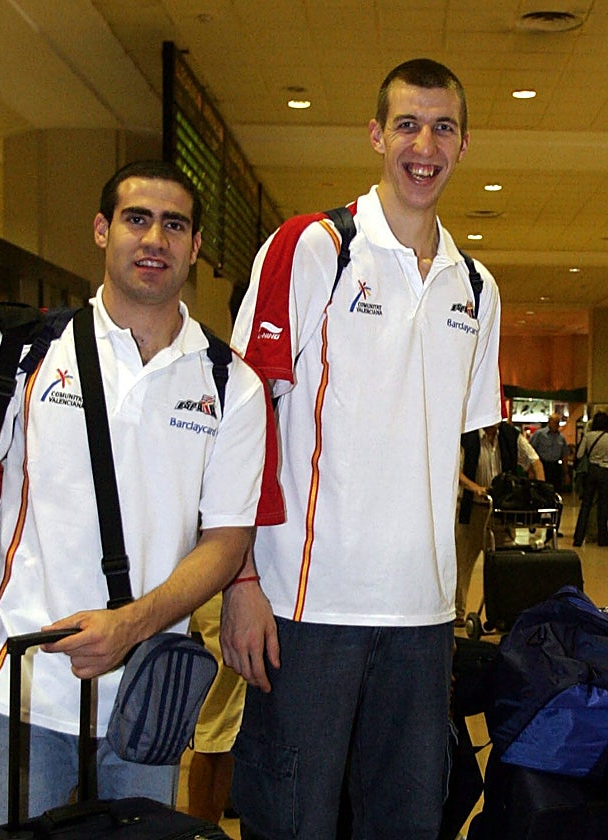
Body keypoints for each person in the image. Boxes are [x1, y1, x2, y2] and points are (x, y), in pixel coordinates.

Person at [0, 160, 283, 832]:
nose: (154, 239)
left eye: (174, 225)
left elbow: (227, 541)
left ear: (195, 247)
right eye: (136, 219)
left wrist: (132, 624)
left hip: (146, 700)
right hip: (21, 689)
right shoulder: (22, 349)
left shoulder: (230, 384)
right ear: (101, 230)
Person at [224, 58, 501, 840]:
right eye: (407, 125)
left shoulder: (477, 288)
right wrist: (240, 578)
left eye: (443, 128)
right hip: (306, 606)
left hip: (422, 616)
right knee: (292, 823)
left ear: (463, 144)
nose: (425, 146)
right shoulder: (314, 247)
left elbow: (445, 444)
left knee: (407, 823)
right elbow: (242, 420)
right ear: (377, 135)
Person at [456, 422, 543, 624]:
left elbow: (534, 461)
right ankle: (458, 613)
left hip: (501, 512)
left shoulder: (510, 435)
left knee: (505, 563)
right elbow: (455, 471)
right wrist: (475, 487)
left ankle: (503, 613)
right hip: (472, 509)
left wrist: (540, 489)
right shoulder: (467, 436)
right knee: (462, 563)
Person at [184, 593, 247, 823]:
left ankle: (224, 805)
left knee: (226, 724)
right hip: (227, 594)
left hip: (226, 594)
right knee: (218, 729)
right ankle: (200, 829)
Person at [571, 410, 608, 547]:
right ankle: (602, 538)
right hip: (605, 472)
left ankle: (578, 538)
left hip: (591, 471)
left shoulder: (587, 436)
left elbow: (579, 454)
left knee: (586, 505)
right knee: (603, 505)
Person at [530, 413, 569, 491]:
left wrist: (566, 473)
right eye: (554, 422)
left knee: (555, 490)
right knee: (542, 489)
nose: (556, 425)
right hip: (543, 465)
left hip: (556, 467)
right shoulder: (539, 434)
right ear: (549, 422)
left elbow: (564, 455)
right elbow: (531, 452)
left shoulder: (561, 438)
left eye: (558, 422)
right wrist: (531, 470)